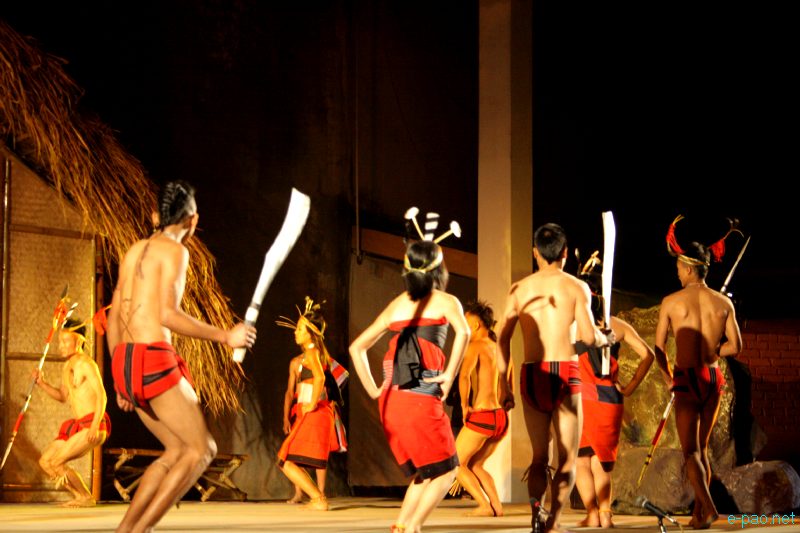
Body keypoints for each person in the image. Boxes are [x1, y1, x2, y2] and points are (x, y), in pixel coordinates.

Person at [106, 180, 256, 533]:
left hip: (125, 359)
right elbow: (166, 314)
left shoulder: (134, 250)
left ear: (155, 215)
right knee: (202, 450)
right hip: (152, 358)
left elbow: (113, 317)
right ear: (193, 220)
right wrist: (225, 336)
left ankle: (126, 530)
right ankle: (140, 530)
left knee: (175, 450)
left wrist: (119, 377)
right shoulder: (176, 251)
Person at [495, 223, 613, 533]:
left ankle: (537, 512)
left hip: (532, 372)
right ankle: (553, 522)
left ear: (535, 252)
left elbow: (501, 337)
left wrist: (502, 384)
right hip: (565, 372)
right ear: (565, 253)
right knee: (567, 458)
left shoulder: (519, 289)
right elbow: (588, 336)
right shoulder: (576, 287)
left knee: (538, 457)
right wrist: (606, 338)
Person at [349, 235, 469, 533]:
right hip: (419, 397)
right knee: (448, 471)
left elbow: (356, 347)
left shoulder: (396, 304)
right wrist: (450, 374)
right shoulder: (446, 301)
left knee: (425, 472)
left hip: (391, 401)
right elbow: (465, 333)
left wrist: (374, 390)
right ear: (438, 268)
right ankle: (413, 527)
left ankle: (402, 525)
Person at [655, 220, 742, 530]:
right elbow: (736, 346)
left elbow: (659, 348)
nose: (677, 273)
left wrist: (668, 378)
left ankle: (710, 507)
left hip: (687, 379)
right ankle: (698, 515)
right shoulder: (723, 303)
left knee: (690, 452)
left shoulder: (671, 302)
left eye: (679, 268)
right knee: (701, 450)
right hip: (713, 379)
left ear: (690, 269)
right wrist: (715, 350)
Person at [573, 271, 655, 528]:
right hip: (610, 398)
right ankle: (605, 513)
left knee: (581, 460)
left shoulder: (574, 326)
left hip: (583, 398)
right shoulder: (618, 325)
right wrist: (629, 388)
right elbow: (648, 355)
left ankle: (592, 513)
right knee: (601, 462)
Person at [34, 317, 110, 508]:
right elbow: (62, 396)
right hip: (78, 426)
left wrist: (94, 426)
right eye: (60, 341)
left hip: (93, 424)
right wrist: (41, 383)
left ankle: (86, 497)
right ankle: (79, 496)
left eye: (65, 341)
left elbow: (102, 396)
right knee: (45, 462)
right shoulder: (67, 366)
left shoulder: (86, 364)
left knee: (57, 462)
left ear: (79, 341)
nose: (61, 346)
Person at [276, 297, 343, 511]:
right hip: (312, 413)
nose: (295, 332)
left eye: (299, 329)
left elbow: (321, 378)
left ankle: (318, 498)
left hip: (317, 412)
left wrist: (313, 403)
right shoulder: (308, 355)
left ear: (311, 333)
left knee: (286, 460)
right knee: (288, 459)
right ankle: (317, 498)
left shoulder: (313, 352)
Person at [453, 300, 509, 517]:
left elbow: (464, 377)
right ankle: (496, 506)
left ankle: (484, 506)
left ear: (476, 325)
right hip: (500, 417)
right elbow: (509, 384)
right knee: (476, 465)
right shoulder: (499, 348)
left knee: (456, 464)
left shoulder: (475, 346)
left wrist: (464, 406)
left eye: (466, 322)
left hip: (483, 415)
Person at [282, 353, 326, 504]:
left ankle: (320, 493)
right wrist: (286, 417)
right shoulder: (295, 362)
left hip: (318, 408)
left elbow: (328, 383)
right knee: (294, 451)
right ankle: (299, 493)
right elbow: (290, 391)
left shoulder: (322, 359)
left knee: (319, 450)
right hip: (301, 409)